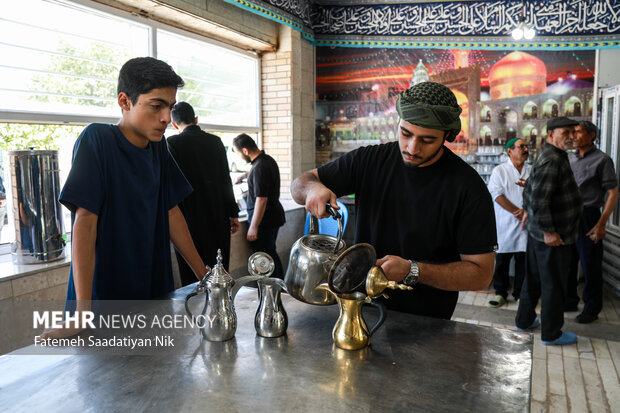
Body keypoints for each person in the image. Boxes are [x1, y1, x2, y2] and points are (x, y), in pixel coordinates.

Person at [291, 81, 497, 320]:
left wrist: (413, 271)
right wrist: (313, 189)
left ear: (447, 136)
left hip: (426, 322)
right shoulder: (369, 161)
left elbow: (481, 273)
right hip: (359, 310)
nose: (412, 147)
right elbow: (299, 185)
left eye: (427, 140)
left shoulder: (468, 188)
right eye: (405, 133)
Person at [43, 57, 207, 339]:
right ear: (124, 101)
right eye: (156, 106)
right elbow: (85, 224)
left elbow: (172, 213)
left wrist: (205, 276)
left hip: (151, 285)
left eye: (169, 107)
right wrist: (82, 313)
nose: (166, 118)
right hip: (104, 295)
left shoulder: (158, 148)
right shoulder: (98, 140)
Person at [516, 117, 582, 346]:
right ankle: (551, 334)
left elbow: (531, 191)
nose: (572, 136)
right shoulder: (553, 159)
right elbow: (541, 200)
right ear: (551, 134)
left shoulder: (548, 154)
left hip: (538, 233)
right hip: (551, 237)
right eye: (566, 132)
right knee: (553, 284)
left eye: (574, 132)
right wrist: (549, 232)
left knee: (533, 279)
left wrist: (526, 212)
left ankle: (524, 321)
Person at [168, 102, 240, 285]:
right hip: (218, 216)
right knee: (219, 268)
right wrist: (233, 213)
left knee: (191, 275)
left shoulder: (172, 143)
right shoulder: (215, 142)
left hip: (189, 219)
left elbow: (172, 187)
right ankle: (221, 308)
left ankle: (194, 312)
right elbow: (226, 179)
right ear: (196, 119)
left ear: (174, 124)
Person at [566, 120, 618, 323]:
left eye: (578, 132)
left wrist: (602, 223)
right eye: (572, 132)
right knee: (569, 262)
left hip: (590, 216)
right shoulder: (570, 159)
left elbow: (613, 193)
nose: (574, 136)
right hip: (570, 216)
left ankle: (592, 307)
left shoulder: (602, 160)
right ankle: (570, 300)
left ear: (591, 136)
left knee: (590, 264)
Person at [232, 134, 285, 278]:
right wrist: (243, 176)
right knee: (269, 254)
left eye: (238, 154)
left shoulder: (259, 167)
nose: (240, 158)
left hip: (264, 221)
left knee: (266, 258)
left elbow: (261, 200)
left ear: (245, 151)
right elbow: (256, 173)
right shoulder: (266, 160)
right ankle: (278, 287)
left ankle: (276, 288)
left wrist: (254, 226)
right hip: (272, 216)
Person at [487, 138, 531, 308]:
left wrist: (526, 212)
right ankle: (500, 293)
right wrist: (517, 212)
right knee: (503, 261)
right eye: (521, 147)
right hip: (506, 223)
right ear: (510, 151)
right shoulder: (500, 171)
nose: (525, 149)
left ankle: (520, 294)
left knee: (523, 260)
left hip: (526, 223)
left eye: (526, 146)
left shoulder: (532, 171)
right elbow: (497, 195)